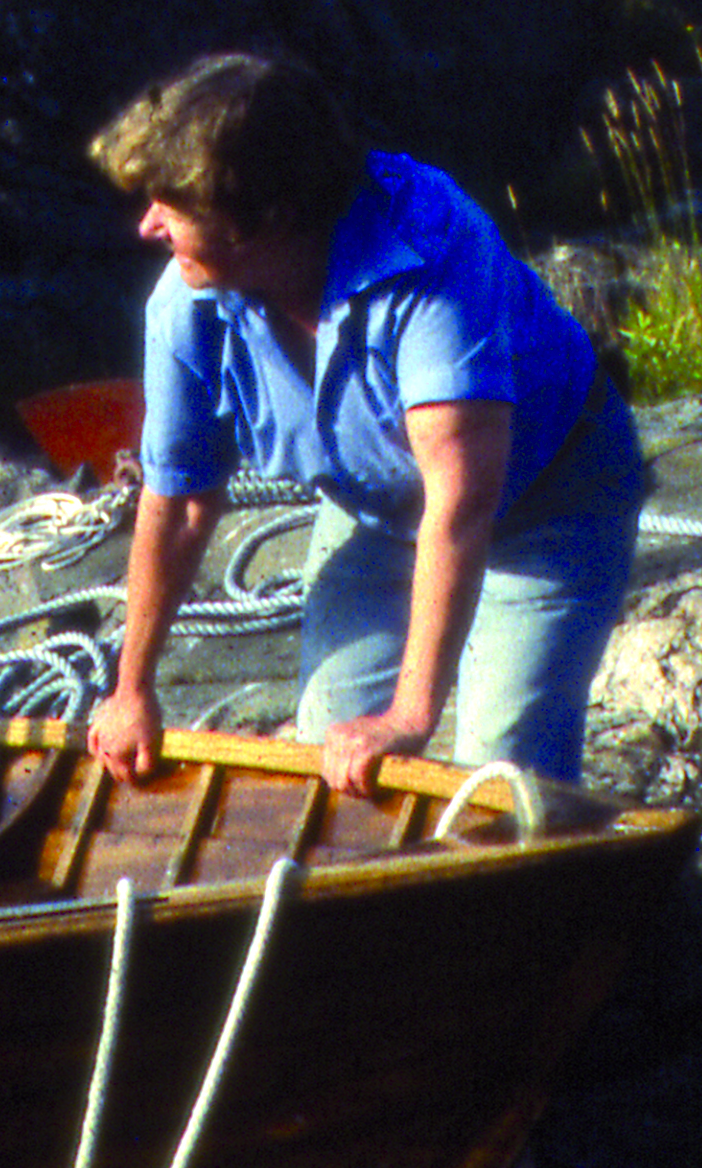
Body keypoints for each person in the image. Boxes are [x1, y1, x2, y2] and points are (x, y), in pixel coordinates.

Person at [80, 51, 643, 797]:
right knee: (326, 741)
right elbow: (181, 501)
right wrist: (132, 690)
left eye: (172, 206)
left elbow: (462, 501)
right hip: (376, 512)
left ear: (268, 217)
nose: (148, 225)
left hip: (548, 505)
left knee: (500, 769)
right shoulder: (186, 304)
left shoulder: (435, 254)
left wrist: (410, 714)